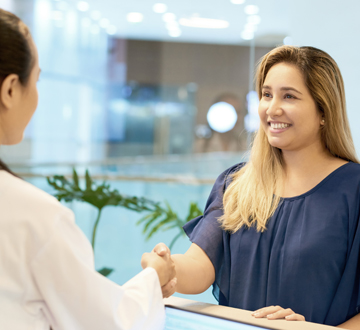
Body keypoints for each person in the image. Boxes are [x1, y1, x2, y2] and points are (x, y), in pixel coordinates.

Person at [156, 45, 360, 329]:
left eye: (288, 96)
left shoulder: (354, 190)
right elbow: (201, 266)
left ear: (323, 110)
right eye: (266, 95)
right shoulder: (237, 183)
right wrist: (168, 270)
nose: (271, 108)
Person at [0, 9, 176, 330]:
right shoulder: (33, 217)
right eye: (36, 80)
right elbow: (112, 322)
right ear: (10, 90)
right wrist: (154, 276)